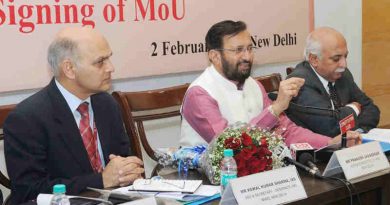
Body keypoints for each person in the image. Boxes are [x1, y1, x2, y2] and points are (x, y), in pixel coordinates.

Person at [4, 27, 144, 204]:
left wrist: (129, 170)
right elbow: (29, 190)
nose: (111, 68)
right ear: (69, 69)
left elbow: (123, 160)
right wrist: (101, 180)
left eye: (109, 58)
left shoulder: (106, 104)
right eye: (100, 61)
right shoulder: (27, 119)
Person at [179, 20, 362, 149]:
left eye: (250, 49)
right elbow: (230, 146)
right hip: (206, 184)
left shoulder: (254, 85)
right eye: (238, 50)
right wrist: (274, 110)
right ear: (214, 56)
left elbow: (286, 131)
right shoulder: (200, 93)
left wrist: (329, 143)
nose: (247, 56)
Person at [286, 27, 380, 137]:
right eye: (336, 59)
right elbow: (330, 127)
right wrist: (353, 109)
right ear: (314, 59)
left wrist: (357, 132)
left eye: (345, 56)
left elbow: (372, 109)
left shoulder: (343, 75)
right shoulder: (300, 82)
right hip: (318, 151)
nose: (344, 65)